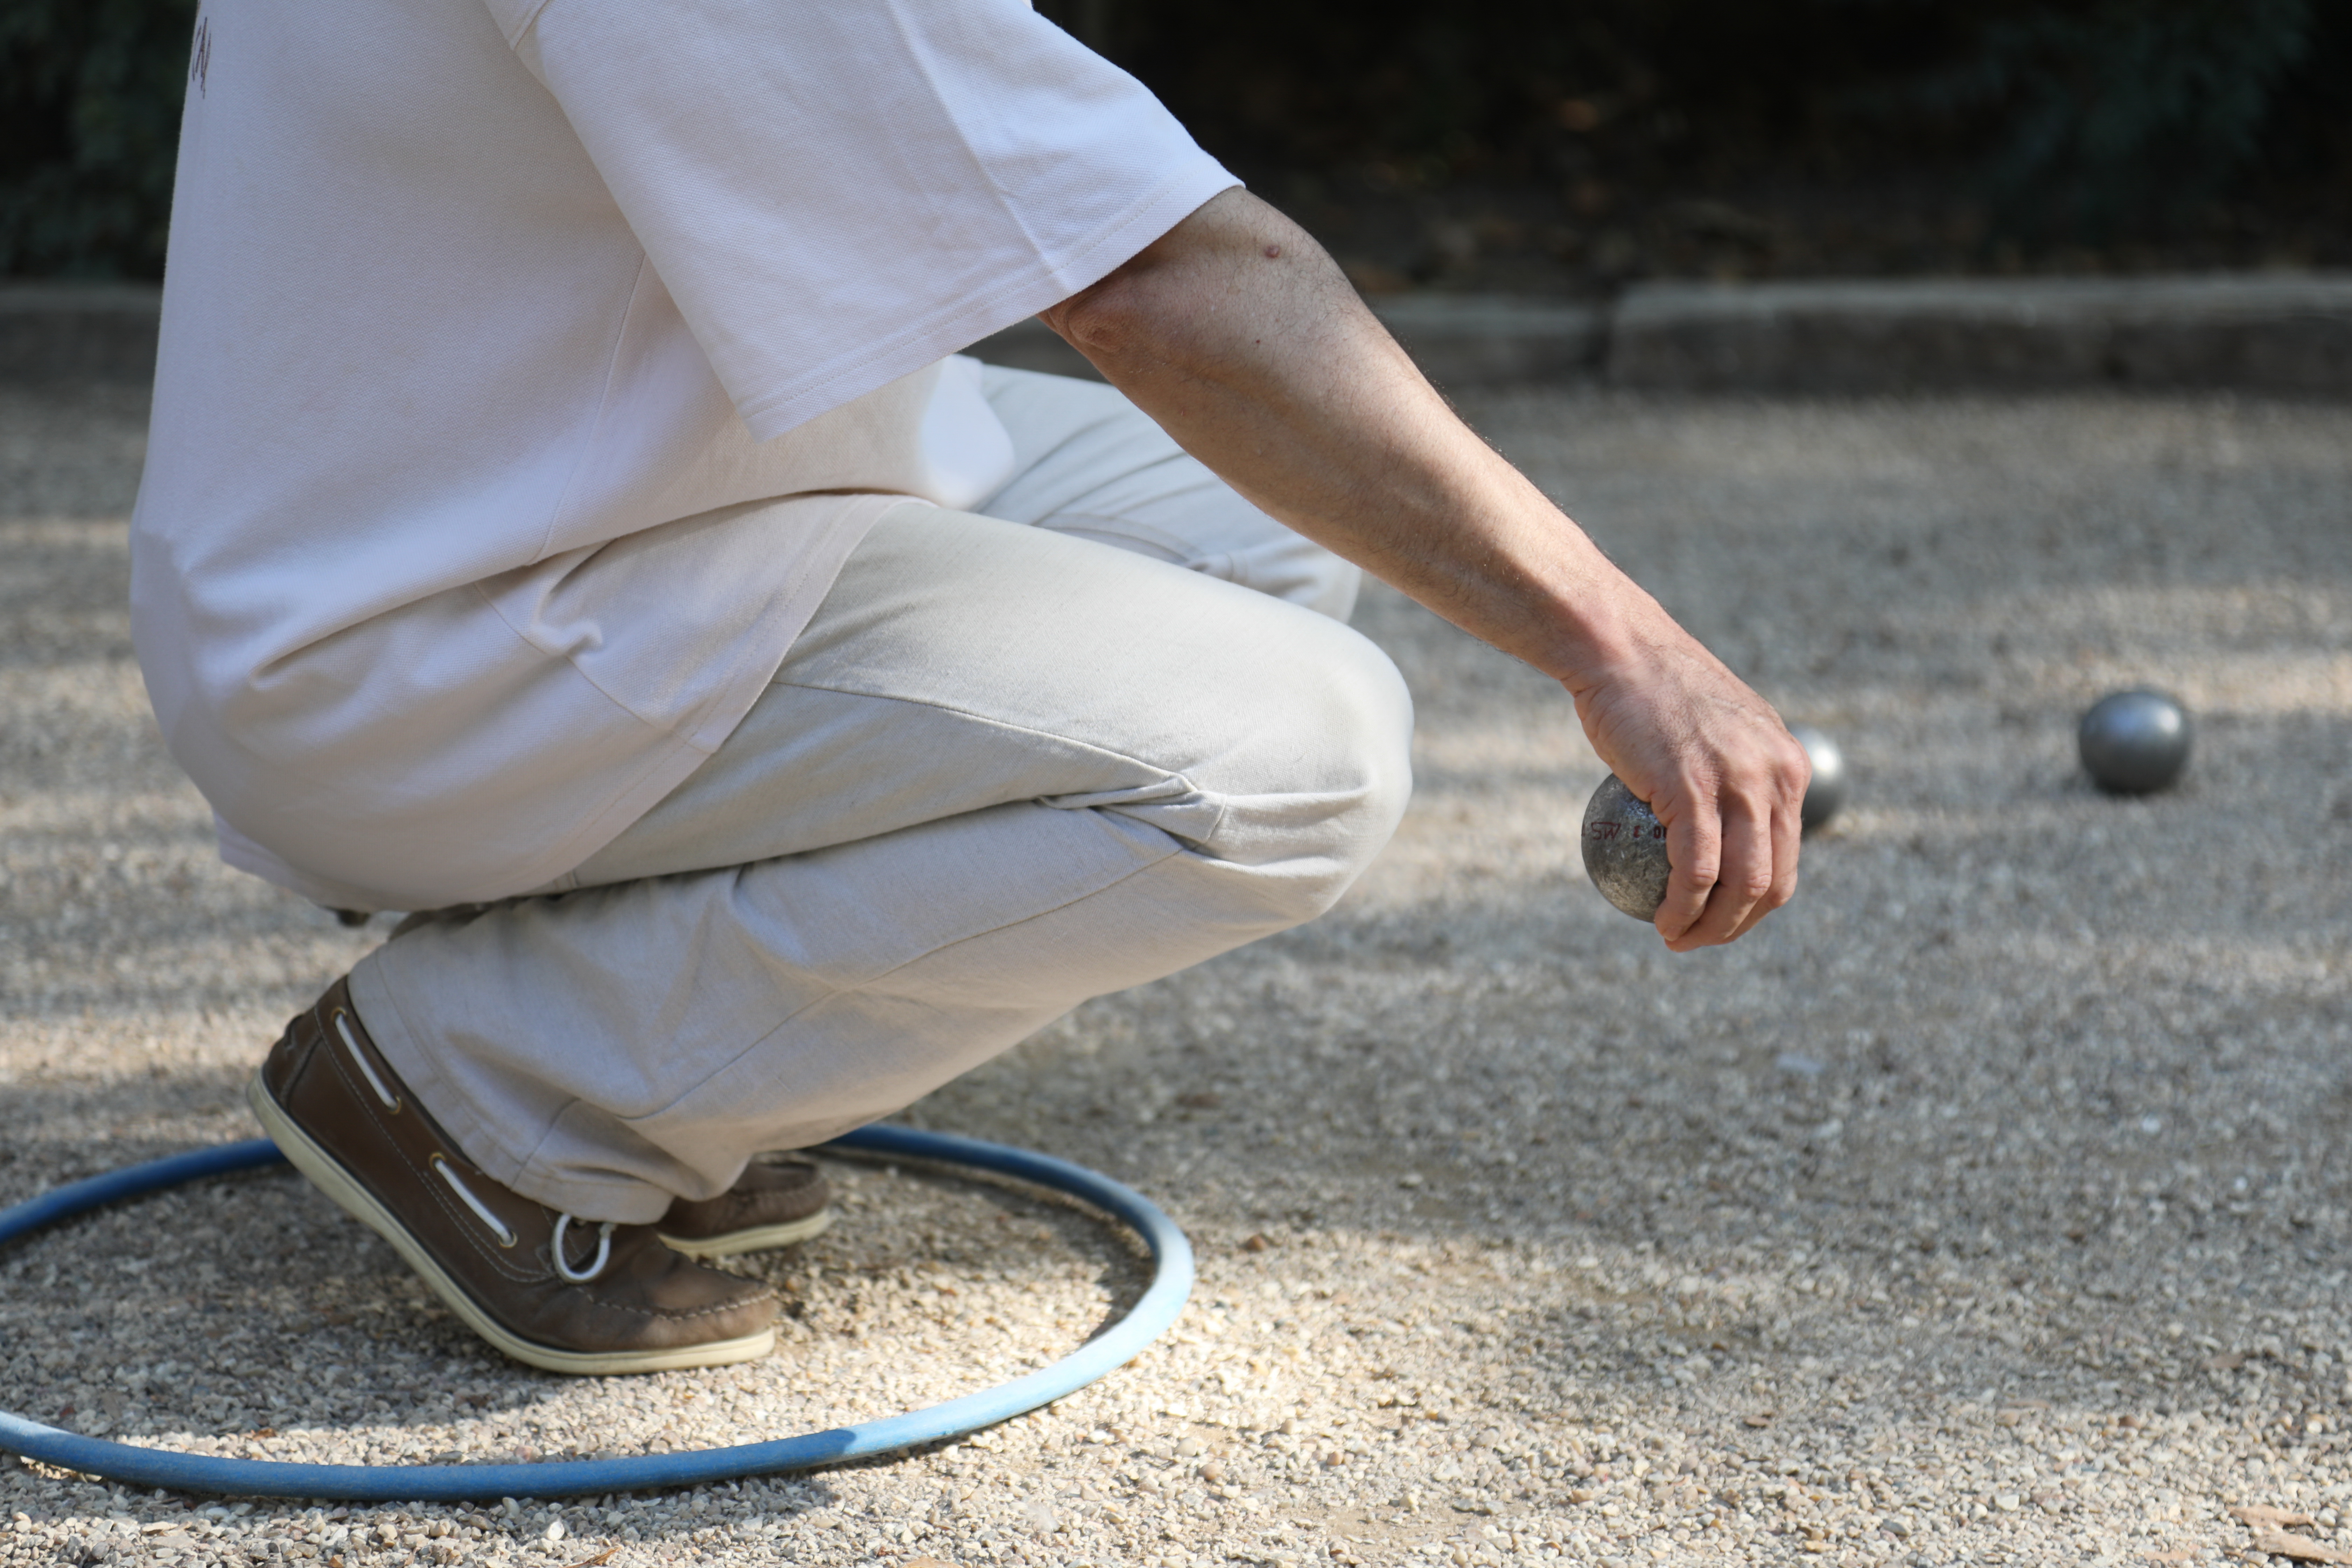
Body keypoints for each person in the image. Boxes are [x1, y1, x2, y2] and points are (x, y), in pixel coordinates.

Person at [131, 0, 1809, 1376]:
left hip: (555, 505)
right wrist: (1620, 644)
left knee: (1240, 533)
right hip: (437, 640)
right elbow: (1154, 284)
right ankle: (488, 1081)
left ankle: (647, 1020)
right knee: (1294, 758)